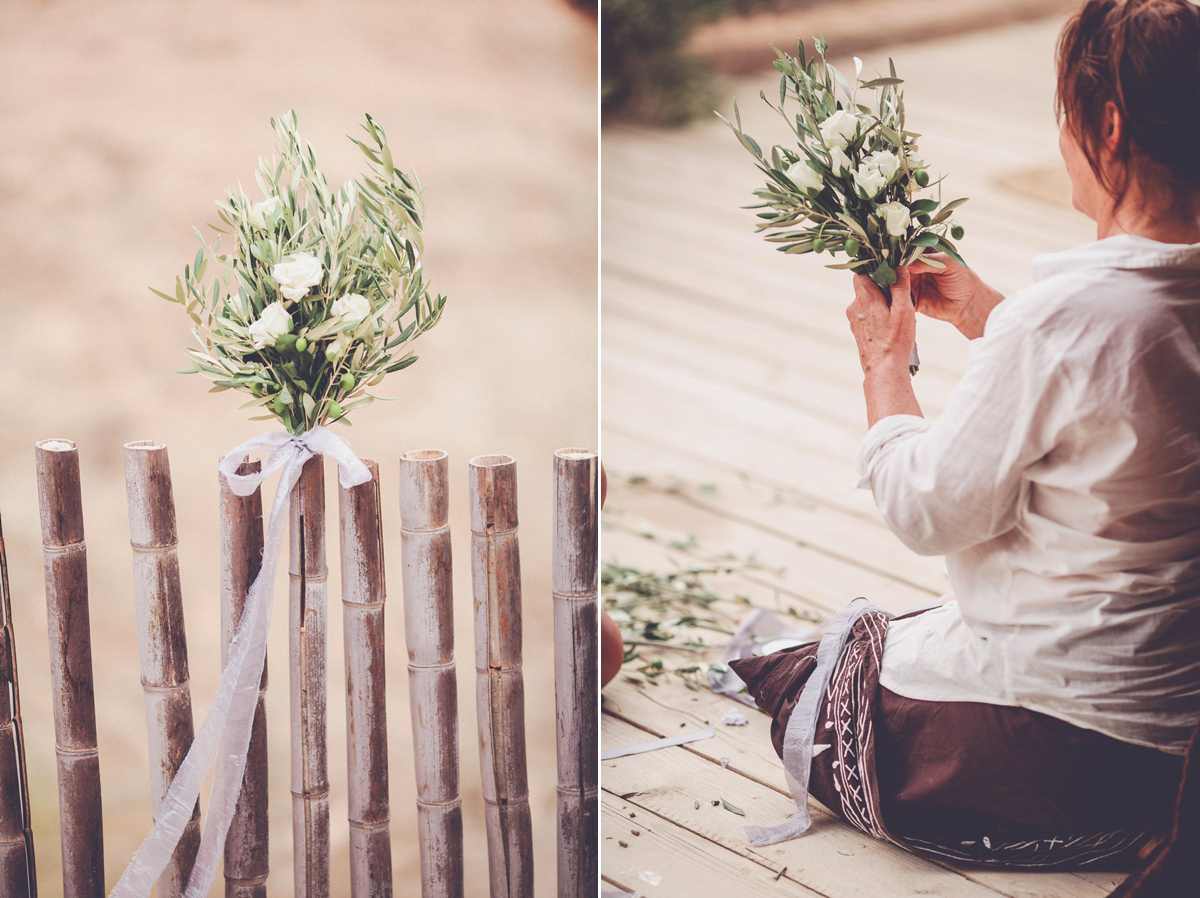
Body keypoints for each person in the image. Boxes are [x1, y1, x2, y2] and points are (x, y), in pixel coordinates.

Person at [730, 0, 1200, 883]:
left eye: (1065, 112)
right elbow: (1132, 392)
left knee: (803, 687)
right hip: (1180, 738)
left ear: (1107, 125)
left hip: (1060, 739)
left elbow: (930, 510)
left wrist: (884, 365)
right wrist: (989, 314)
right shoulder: (1090, 317)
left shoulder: (1064, 320)